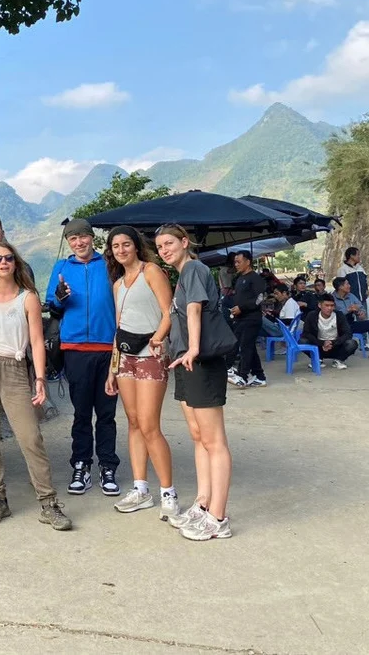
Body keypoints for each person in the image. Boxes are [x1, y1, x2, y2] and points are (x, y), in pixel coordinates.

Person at [0, 243, 72, 530]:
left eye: (8, 258)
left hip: (14, 368)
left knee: (30, 436)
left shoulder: (28, 298)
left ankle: (48, 503)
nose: (2, 262)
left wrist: (39, 378)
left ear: (15, 263)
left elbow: (37, 341)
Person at [153, 224, 233, 542]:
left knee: (215, 441)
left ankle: (218, 516)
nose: (164, 249)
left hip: (200, 361)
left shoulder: (194, 268)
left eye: (169, 243)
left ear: (185, 242)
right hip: (184, 361)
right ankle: (203, 503)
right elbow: (178, 316)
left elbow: (194, 308)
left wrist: (195, 348)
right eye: (159, 247)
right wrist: (162, 341)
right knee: (198, 436)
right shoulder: (182, 274)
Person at [101, 227, 178, 520]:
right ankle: (141, 489)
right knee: (133, 422)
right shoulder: (118, 284)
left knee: (149, 425)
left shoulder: (151, 271)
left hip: (150, 355)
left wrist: (158, 339)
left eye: (126, 244)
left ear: (136, 246)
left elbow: (168, 312)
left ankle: (168, 493)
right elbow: (119, 328)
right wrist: (112, 368)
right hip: (125, 359)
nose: (121, 250)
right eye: (116, 246)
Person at [45, 218, 119, 497]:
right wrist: (60, 297)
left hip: (107, 348)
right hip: (74, 348)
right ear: (68, 243)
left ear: (91, 238)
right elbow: (52, 305)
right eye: (73, 239)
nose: (79, 243)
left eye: (83, 237)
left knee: (107, 413)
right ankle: (81, 465)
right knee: (81, 413)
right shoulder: (61, 267)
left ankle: (108, 466)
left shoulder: (108, 266)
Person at [227, 250, 267, 389]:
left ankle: (242, 376)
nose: (236, 264)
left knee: (246, 347)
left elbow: (260, 298)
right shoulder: (239, 278)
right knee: (247, 347)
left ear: (248, 262)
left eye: (239, 262)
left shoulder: (255, 278)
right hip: (239, 318)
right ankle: (259, 376)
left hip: (251, 318)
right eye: (235, 262)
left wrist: (242, 307)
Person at [332, 277, 369, 358]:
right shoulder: (331, 298)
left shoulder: (351, 296)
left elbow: (360, 307)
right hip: (337, 326)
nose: (349, 286)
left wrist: (361, 313)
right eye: (347, 284)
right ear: (340, 287)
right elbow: (332, 314)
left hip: (350, 323)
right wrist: (348, 309)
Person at [301, 294, 359, 369]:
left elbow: (348, 333)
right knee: (302, 341)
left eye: (332, 305)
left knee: (352, 343)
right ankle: (318, 359)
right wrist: (322, 343)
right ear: (319, 305)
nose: (329, 308)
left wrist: (333, 342)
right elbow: (306, 333)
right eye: (326, 305)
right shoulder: (312, 315)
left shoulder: (339, 315)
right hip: (318, 346)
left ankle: (339, 360)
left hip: (336, 345)